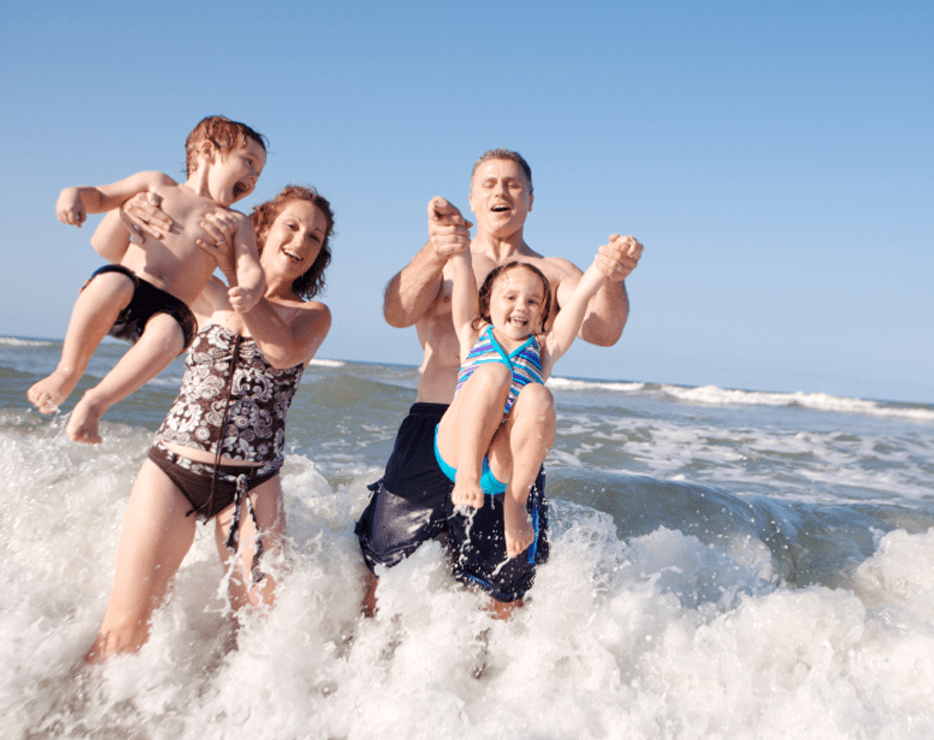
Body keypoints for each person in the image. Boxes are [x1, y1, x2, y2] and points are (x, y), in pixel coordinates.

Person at [355, 149, 643, 617]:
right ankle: (359, 663)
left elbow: (603, 330)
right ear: (472, 198)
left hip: (512, 439)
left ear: (530, 199)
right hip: (439, 424)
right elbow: (396, 313)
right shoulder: (452, 264)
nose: (500, 192)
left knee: (503, 585)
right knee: (382, 563)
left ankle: (487, 682)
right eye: (488, 184)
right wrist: (439, 246)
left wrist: (610, 274)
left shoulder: (553, 273)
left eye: (512, 184)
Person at [84, 185, 334, 662]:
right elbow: (122, 257)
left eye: (316, 238)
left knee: (260, 640)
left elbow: (280, 352)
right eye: (293, 226)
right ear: (260, 230)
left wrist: (238, 274)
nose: (302, 242)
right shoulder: (205, 289)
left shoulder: (312, 315)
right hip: (173, 471)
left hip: (252, 482)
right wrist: (128, 211)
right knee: (123, 630)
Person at [28, 115, 268, 444]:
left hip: (171, 310)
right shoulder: (156, 183)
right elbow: (100, 194)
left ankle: (94, 404)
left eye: (259, 172)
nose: (254, 177)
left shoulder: (235, 221)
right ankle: (68, 371)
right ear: (207, 152)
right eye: (249, 162)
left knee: (171, 333)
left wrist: (252, 288)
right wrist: (71, 196)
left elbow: (250, 264)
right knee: (112, 283)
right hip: (129, 288)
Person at [437, 246, 619, 560]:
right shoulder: (472, 334)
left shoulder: (543, 351)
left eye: (533, 301)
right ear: (487, 303)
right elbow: (464, 273)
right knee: (494, 372)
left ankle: (515, 504)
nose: (521, 305)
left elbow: (577, 301)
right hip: (457, 450)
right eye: (510, 296)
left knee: (539, 396)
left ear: (541, 316)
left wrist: (602, 268)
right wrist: (460, 252)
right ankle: (468, 474)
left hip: (501, 464)